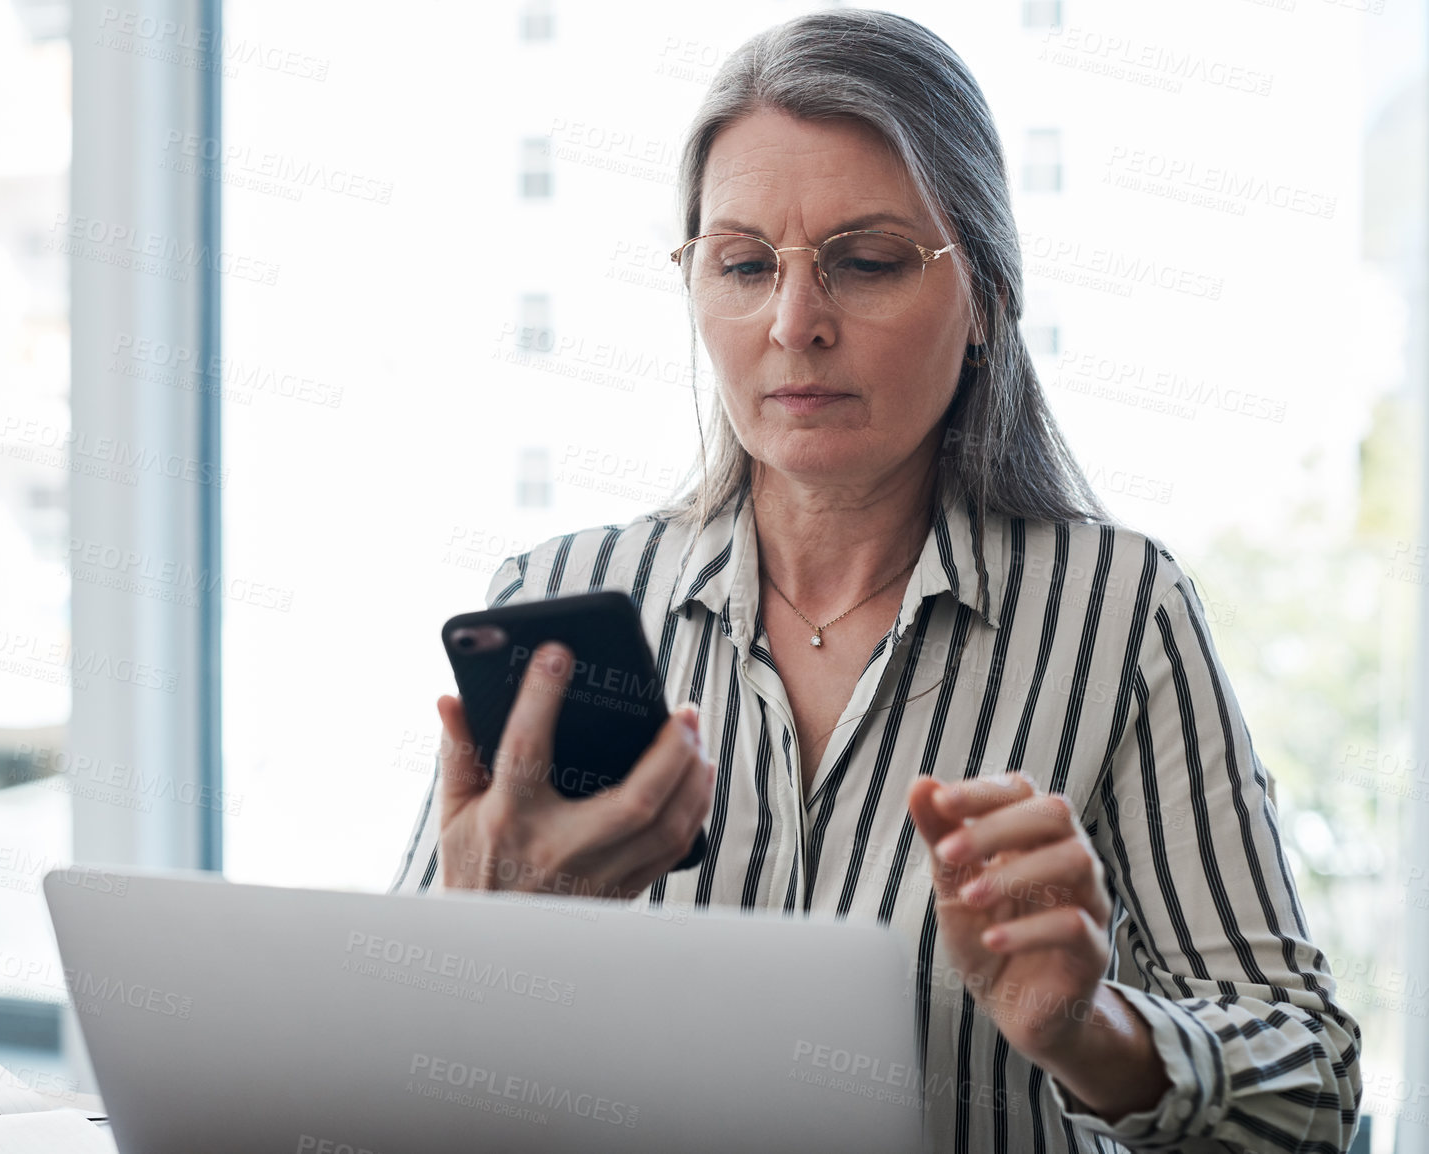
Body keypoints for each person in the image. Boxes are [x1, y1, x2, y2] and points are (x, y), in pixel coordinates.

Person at [391, 9, 1361, 1152]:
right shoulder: (559, 602)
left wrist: (1096, 1031)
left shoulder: (1118, 612)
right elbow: (389, 1096)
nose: (794, 324)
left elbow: (1317, 1099)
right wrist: (477, 945)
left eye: (865, 261)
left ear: (988, 299)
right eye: (743, 264)